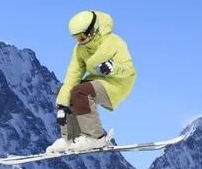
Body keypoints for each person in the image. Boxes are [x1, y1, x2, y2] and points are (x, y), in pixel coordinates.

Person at [46, 10, 136, 154]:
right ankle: (71, 138)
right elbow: (72, 76)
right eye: (76, 38)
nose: (80, 41)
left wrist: (114, 68)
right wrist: (62, 104)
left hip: (119, 83)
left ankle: (95, 137)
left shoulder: (114, 42)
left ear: (93, 30)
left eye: (82, 36)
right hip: (99, 81)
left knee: (79, 92)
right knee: (65, 91)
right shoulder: (80, 50)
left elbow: (129, 69)